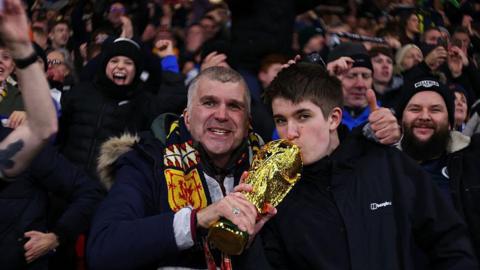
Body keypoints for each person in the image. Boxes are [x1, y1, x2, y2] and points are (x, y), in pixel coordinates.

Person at [261, 63, 478, 269]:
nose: (290, 133)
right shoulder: (277, 194)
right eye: (281, 120)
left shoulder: (387, 165)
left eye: (303, 116)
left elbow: (449, 241)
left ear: (334, 119)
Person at [87, 67, 274, 269]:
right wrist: (197, 221)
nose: (221, 115)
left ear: (247, 122)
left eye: (234, 106)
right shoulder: (147, 162)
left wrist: (248, 246)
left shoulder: (269, 171)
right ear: (187, 117)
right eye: (209, 102)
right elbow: (103, 248)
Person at [396, 77, 480, 258]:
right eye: (415, 109)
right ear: (401, 120)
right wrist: (364, 136)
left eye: (435, 110)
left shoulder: (473, 160)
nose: (424, 116)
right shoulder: (381, 164)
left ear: (450, 123)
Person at [0, 0, 57, 177]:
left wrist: (21, 48)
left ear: (13, 66)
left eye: (6, 57)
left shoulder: (24, 97)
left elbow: (42, 130)